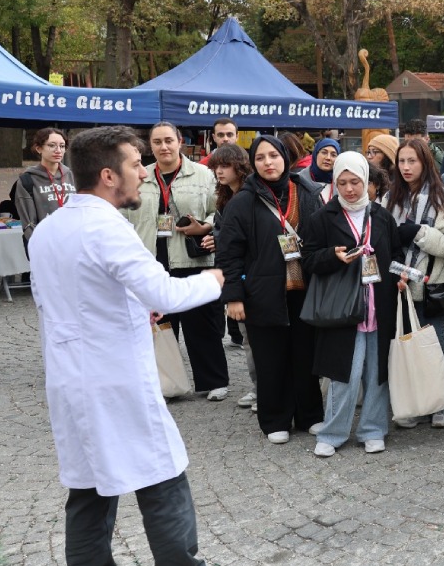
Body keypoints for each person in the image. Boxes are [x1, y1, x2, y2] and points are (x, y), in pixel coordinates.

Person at [29, 125, 231, 566]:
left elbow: (64, 299)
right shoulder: (106, 227)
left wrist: (134, 306)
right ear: (106, 175)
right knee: (162, 476)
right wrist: (216, 280)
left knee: (87, 488)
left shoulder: (49, 230)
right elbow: (164, 290)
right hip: (115, 376)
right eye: (134, 165)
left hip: (69, 378)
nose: (143, 173)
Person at [217, 135, 325, 444]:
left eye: (274, 156)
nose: (268, 162)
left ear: (284, 158)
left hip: (304, 288)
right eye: (261, 157)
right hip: (262, 293)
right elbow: (229, 253)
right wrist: (233, 296)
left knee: (305, 355)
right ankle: (275, 418)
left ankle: (309, 414)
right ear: (253, 163)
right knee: (270, 358)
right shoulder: (242, 201)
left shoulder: (306, 192)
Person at [302, 152, 403, 457]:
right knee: (344, 373)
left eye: (355, 182)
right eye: (342, 182)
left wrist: (401, 277)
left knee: (377, 372)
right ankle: (333, 433)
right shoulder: (322, 217)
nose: (349, 189)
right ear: (335, 183)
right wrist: (332, 256)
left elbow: (394, 255)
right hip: (342, 310)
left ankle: (373, 429)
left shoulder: (382, 216)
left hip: (379, 306)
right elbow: (307, 260)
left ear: (367, 182)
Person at [124, 122, 230, 402]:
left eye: (169, 140)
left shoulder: (203, 175)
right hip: (152, 262)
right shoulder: (140, 176)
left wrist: (205, 228)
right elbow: (125, 217)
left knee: (202, 325)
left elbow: (219, 212)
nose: (164, 147)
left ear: (180, 141)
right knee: (161, 326)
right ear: (150, 145)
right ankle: (167, 383)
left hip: (192, 258)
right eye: (157, 142)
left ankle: (214, 380)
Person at [383, 137, 444, 430]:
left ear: (424, 162)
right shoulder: (390, 198)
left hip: (432, 286)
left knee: (436, 347)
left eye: (411, 161)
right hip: (400, 284)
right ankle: (414, 402)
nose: (405, 167)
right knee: (406, 348)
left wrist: (418, 232)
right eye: (401, 161)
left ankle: (440, 404)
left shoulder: (442, 198)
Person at [201, 144, 259, 411]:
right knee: (248, 339)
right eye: (215, 167)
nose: (219, 171)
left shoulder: (250, 195)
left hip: (254, 275)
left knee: (257, 339)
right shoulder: (226, 196)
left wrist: (220, 238)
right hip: (236, 275)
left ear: (239, 165)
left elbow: (248, 237)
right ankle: (259, 388)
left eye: (224, 166)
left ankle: (264, 389)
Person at [14, 127, 76, 241]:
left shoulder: (73, 176)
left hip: (74, 243)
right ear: (39, 148)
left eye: (62, 146)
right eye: (51, 145)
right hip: (45, 245)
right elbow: (28, 223)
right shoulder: (27, 180)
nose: (58, 150)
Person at [298, 137, 342, 203]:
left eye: (333, 155)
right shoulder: (299, 180)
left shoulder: (341, 182)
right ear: (316, 154)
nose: (328, 158)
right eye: (324, 153)